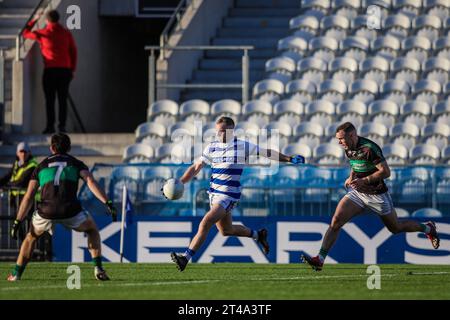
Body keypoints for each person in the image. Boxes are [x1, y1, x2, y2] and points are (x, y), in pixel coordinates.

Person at [170, 116, 305, 271]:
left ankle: (185, 258)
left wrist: (289, 158)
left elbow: (266, 152)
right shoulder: (211, 147)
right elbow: (196, 167)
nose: (219, 134)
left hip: (228, 195)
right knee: (226, 230)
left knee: (205, 222)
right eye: (217, 131)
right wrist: (180, 181)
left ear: (231, 131)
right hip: (214, 194)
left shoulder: (242, 146)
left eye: (221, 131)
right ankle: (258, 235)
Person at [302, 122, 440, 271]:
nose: (339, 142)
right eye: (338, 139)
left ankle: (428, 228)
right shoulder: (348, 148)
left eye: (341, 139)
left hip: (377, 195)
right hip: (358, 193)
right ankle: (320, 259)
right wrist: (351, 177)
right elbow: (355, 164)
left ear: (352, 135)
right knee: (336, 222)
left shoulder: (369, 148)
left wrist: (365, 180)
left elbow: (386, 172)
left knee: (395, 228)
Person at [7, 133, 117, 282]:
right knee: (92, 230)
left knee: (31, 237)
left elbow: (28, 196)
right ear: (69, 148)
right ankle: (98, 269)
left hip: (46, 211)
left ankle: (16, 274)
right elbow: (90, 181)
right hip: (70, 210)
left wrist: (17, 221)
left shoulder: (41, 166)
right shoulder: (76, 163)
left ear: (52, 148)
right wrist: (107, 202)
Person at [23, 10, 77, 134]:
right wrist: (73, 69)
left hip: (50, 70)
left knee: (50, 99)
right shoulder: (66, 33)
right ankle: (62, 126)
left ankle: (50, 126)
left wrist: (35, 19)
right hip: (65, 70)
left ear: (47, 20)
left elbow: (25, 33)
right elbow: (73, 51)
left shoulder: (43, 33)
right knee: (62, 99)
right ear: (58, 19)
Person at [0, 142, 38, 212]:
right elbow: (8, 175)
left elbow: (21, 182)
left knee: (28, 221)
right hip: (17, 198)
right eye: (21, 152)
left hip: (28, 199)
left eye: (25, 152)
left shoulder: (32, 165)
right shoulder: (17, 163)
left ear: (29, 153)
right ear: (17, 153)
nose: (23, 154)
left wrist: (6, 185)